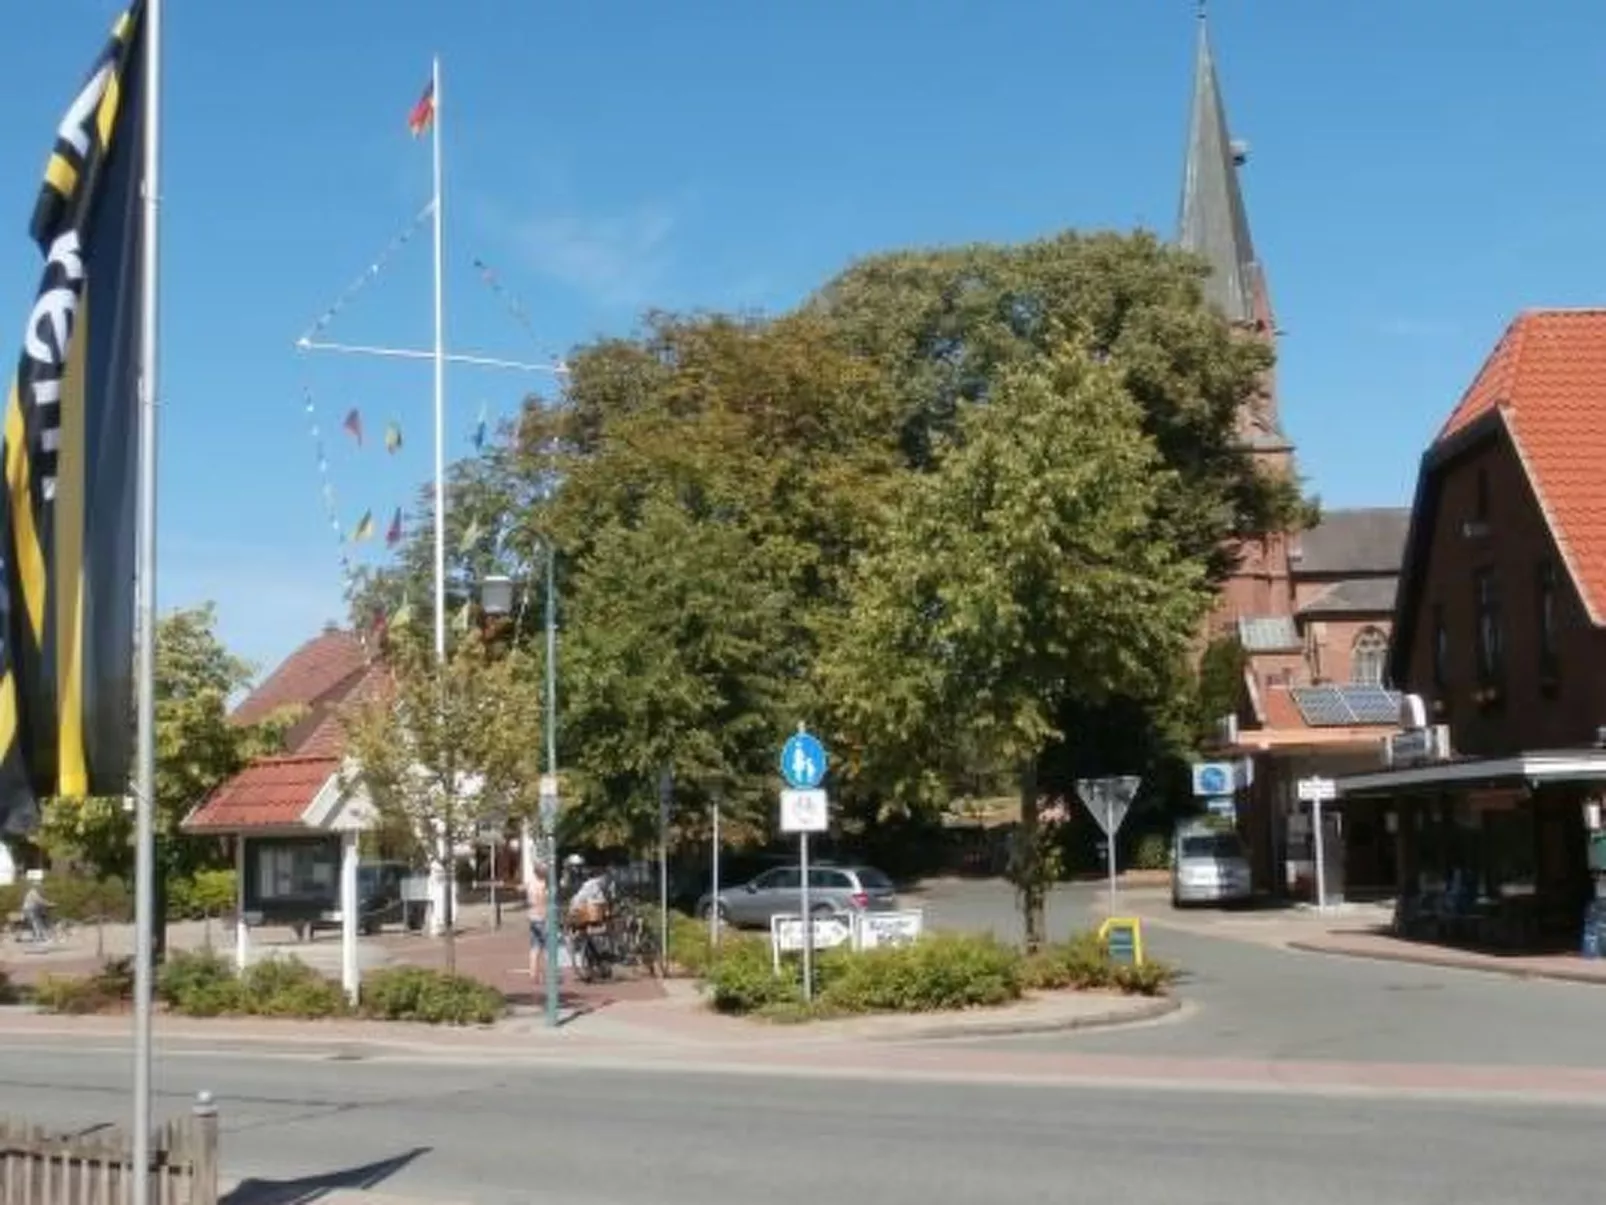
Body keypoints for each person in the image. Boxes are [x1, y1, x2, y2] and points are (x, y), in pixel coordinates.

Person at [527, 871, 550, 984]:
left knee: (535, 947)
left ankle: (533, 974)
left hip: (532, 917)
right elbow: (541, 900)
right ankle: (548, 975)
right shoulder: (542, 884)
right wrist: (544, 915)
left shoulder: (531, 883)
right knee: (547, 947)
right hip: (541, 918)